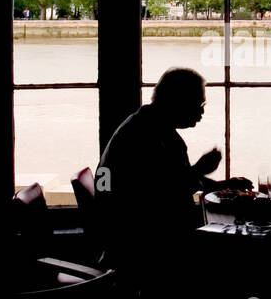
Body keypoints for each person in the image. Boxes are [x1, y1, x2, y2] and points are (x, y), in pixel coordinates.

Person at [97, 68, 250, 269]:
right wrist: (200, 170)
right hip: (142, 243)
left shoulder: (149, 123)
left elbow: (172, 179)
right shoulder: (145, 135)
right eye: (199, 104)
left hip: (135, 230)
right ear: (178, 100)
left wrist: (221, 185)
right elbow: (161, 192)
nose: (202, 111)